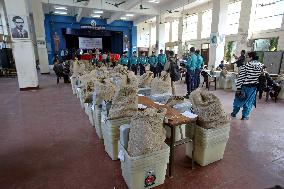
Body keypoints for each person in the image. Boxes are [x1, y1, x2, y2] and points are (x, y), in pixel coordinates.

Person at [231, 51, 263, 120]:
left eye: (247, 57)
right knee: (249, 102)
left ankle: (234, 113)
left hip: (244, 87)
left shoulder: (246, 66)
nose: (246, 58)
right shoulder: (261, 66)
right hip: (253, 88)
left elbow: (241, 78)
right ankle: (245, 116)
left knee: (238, 101)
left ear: (251, 57)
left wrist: (238, 88)